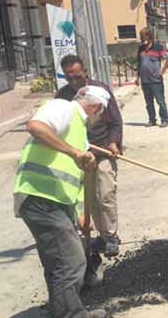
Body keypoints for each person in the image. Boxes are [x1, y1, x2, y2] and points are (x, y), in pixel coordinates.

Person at [13, 86, 112, 318]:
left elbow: (75, 179)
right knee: (71, 261)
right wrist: (75, 153)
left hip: (54, 200)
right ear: (96, 107)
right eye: (100, 113)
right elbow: (35, 127)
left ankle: (60, 311)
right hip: (41, 196)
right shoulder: (64, 108)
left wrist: (79, 214)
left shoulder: (78, 133)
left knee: (58, 262)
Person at [56, 55, 123, 258]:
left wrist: (113, 142)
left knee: (106, 194)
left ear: (85, 71)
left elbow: (116, 122)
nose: (74, 81)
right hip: (80, 156)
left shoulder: (99, 91)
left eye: (77, 76)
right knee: (90, 198)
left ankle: (111, 236)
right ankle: (100, 237)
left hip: (102, 150)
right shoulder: (63, 96)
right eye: (69, 77)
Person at [136, 27, 168, 128]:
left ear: (149, 36)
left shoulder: (158, 47)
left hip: (156, 81)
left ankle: (164, 120)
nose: (142, 38)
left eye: (143, 36)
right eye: (141, 36)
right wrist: (137, 77)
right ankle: (152, 120)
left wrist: (162, 71)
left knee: (160, 101)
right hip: (145, 81)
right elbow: (139, 64)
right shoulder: (141, 49)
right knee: (148, 102)